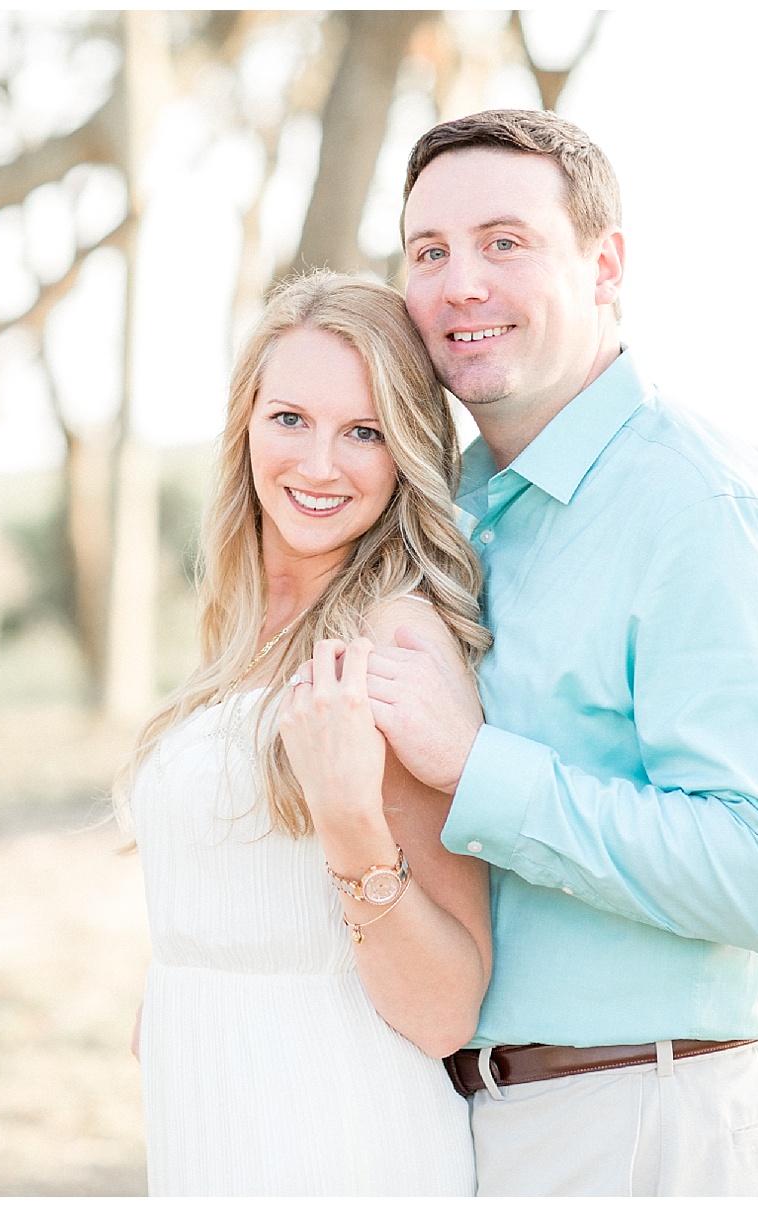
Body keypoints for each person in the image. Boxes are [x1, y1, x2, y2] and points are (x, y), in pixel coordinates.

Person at [363, 110, 758, 1195]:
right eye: (429, 251)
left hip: (660, 1121)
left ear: (606, 264)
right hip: (493, 1122)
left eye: (505, 242)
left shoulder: (701, 514)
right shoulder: (460, 514)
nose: (460, 284)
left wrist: (477, 765)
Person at [125, 271, 493, 1196]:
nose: (319, 464)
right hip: (213, 1117)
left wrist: (349, 817)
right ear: (246, 421)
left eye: (363, 432)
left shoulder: (394, 639)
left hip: (337, 1133)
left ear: (405, 449)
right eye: (290, 418)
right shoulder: (246, 625)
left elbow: (448, 1005)